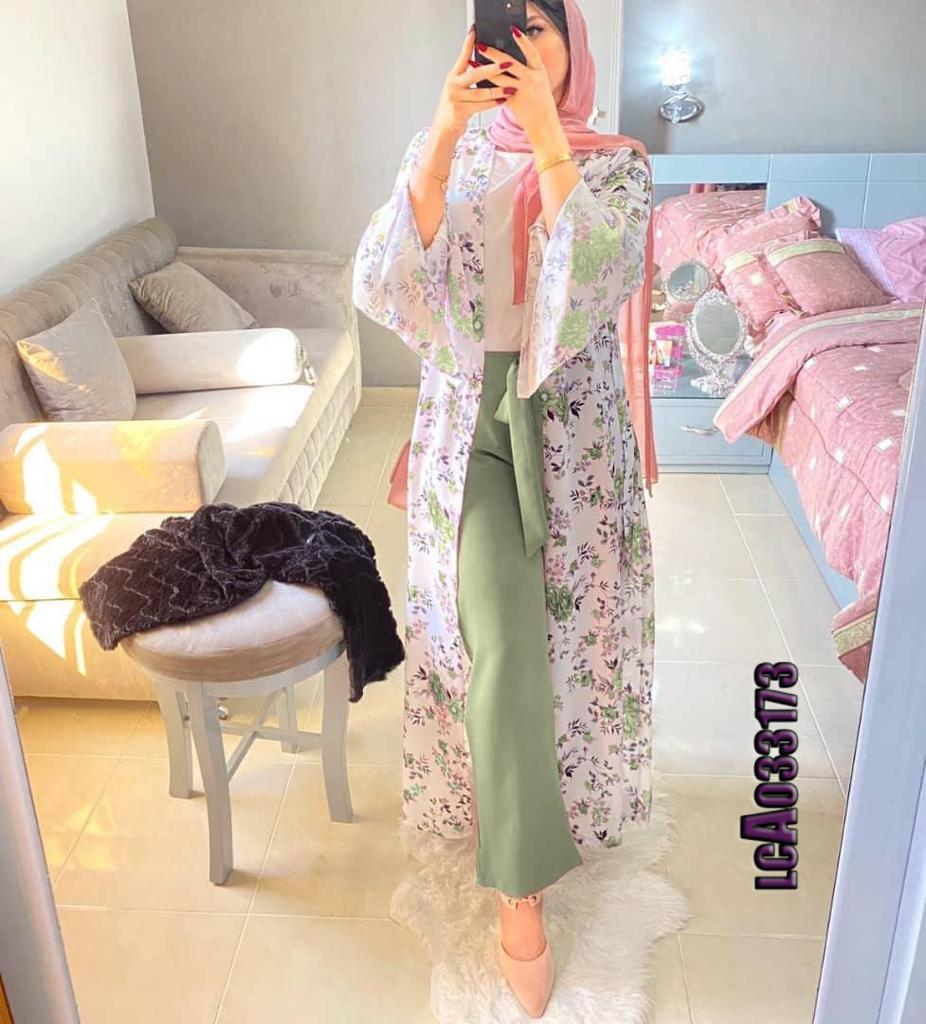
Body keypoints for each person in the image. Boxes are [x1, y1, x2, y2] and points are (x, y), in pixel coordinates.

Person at [352, 1, 656, 1016]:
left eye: (540, 25)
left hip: (570, 430)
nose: (521, 44)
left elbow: (598, 280)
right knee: (501, 638)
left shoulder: (615, 165)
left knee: (567, 636)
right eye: (503, 24)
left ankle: (540, 797)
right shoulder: (449, 146)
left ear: (573, 44)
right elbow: (391, 279)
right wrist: (445, 129)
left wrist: (544, 137)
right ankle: (520, 896)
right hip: (465, 422)